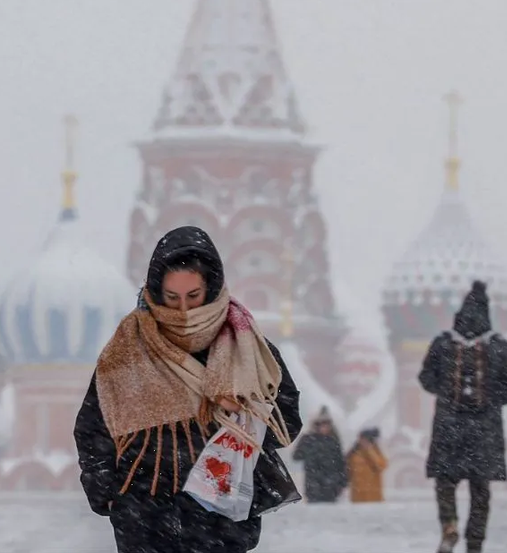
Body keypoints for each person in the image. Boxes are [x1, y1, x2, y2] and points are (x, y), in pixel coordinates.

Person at [74, 225, 303, 553]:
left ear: (210, 289)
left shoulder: (246, 347)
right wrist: (106, 490)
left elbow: (288, 420)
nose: (183, 310)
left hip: (221, 519)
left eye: (193, 296)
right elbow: (93, 427)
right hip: (145, 514)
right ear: (155, 290)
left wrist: (246, 411)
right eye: (171, 297)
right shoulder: (128, 351)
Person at [420, 281, 507, 553]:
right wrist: (492, 400)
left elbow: (425, 378)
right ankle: (475, 542)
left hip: (449, 426)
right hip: (484, 429)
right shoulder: (500, 347)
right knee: (480, 490)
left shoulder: (443, 343)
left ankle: (449, 526)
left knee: (445, 482)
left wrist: (445, 394)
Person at [291, 408, 348, 503]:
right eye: (322, 425)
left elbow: (341, 462)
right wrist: (309, 450)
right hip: (313, 486)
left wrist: (343, 482)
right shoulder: (308, 439)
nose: (324, 427)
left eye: (326, 425)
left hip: (331, 487)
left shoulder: (333, 440)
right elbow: (296, 456)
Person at [345, 428, 387, 504]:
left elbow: (381, 466)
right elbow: (348, 471)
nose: (363, 442)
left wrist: (370, 451)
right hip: (357, 497)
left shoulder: (376, 452)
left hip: (374, 497)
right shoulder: (354, 454)